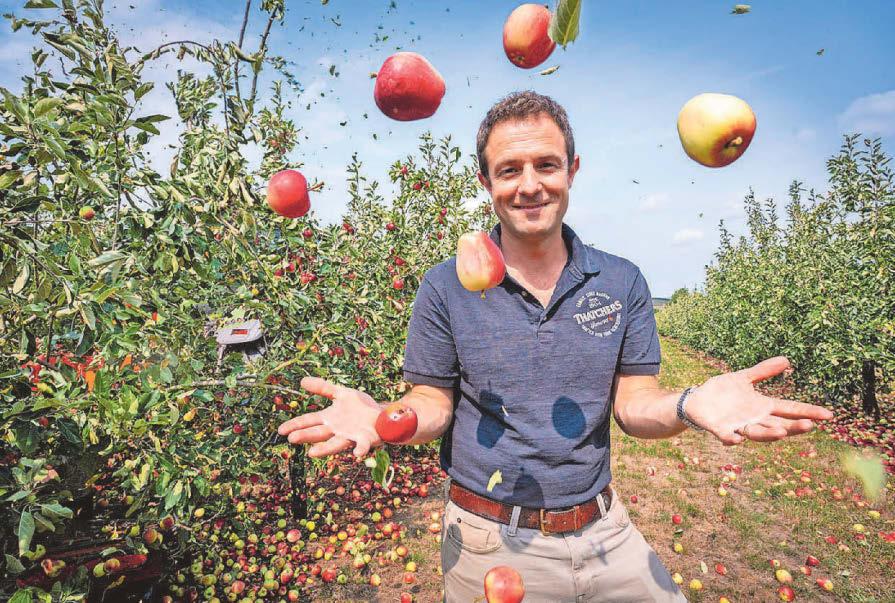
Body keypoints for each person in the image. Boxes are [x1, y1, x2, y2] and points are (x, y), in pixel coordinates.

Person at [277, 90, 834, 602]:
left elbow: (634, 405)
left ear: (572, 169)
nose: (529, 184)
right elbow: (434, 402)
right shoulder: (445, 285)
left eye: (546, 165)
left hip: (604, 531)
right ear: (485, 181)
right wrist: (387, 418)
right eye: (509, 170)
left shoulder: (621, 281)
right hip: (487, 540)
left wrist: (690, 403)